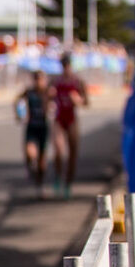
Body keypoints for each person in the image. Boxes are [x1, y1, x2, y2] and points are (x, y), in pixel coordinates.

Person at [48, 53, 89, 199]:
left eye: (68, 65)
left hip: (72, 119)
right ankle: (58, 176)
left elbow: (86, 102)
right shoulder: (55, 81)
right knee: (58, 150)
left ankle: (68, 182)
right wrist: (49, 98)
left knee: (73, 153)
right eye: (63, 65)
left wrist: (78, 100)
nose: (66, 68)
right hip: (59, 118)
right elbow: (47, 98)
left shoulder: (78, 81)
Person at [14, 70, 50, 197]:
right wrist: (19, 115)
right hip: (31, 127)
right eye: (36, 79)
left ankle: (40, 186)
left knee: (42, 160)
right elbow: (17, 101)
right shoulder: (29, 92)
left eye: (41, 79)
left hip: (43, 127)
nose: (38, 82)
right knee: (30, 153)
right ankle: (30, 166)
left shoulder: (48, 92)